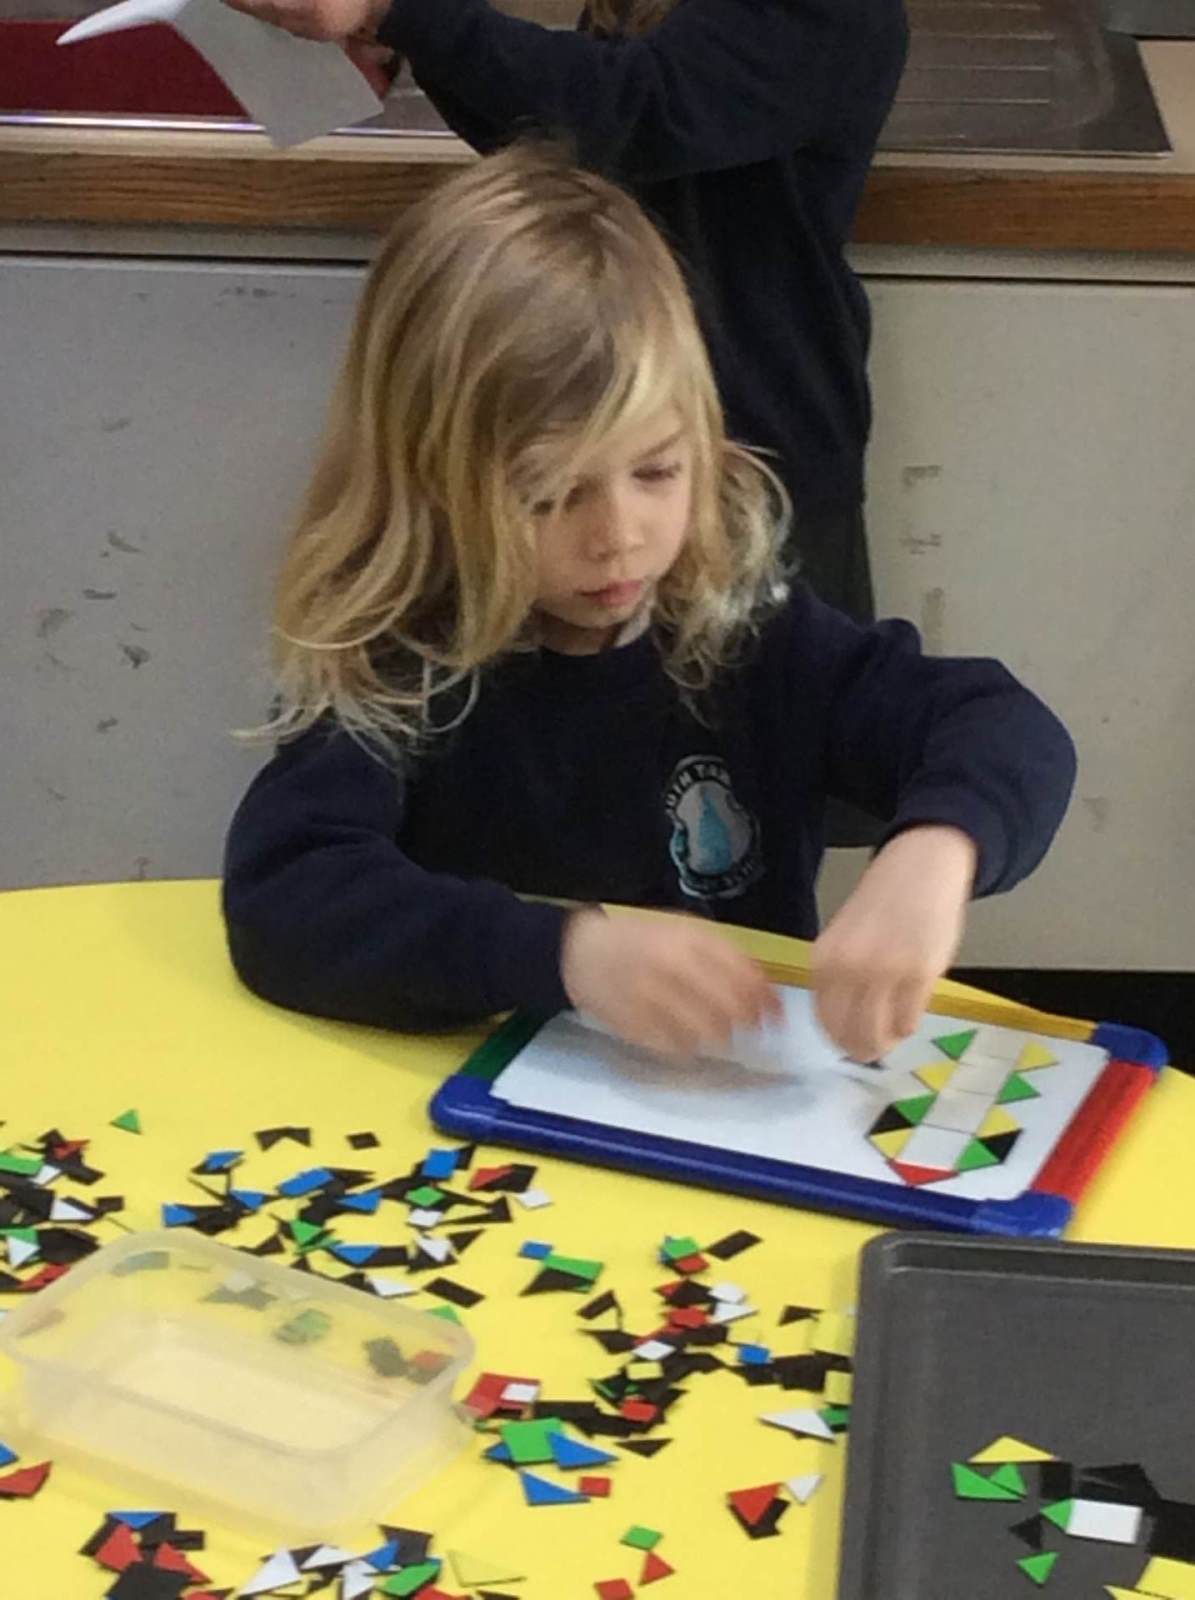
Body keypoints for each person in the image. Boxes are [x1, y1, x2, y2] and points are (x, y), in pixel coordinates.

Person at [223, 146, 1075, 1064]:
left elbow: (1001, 726)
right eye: (550, 495)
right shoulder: (403, 660)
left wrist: (934, 854)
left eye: (658, 471)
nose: (618, 536)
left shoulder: (744, 631)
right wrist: (562, 954)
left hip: (725, 1104)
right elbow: (285, 896)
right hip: (455, 1110)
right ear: (431, 482)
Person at [225, 0, 908, 625]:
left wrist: (405, 12)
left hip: (750, 459)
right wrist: (406, 30)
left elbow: (631, 111)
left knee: (776, 708)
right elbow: (558, 141)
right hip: (598, 438)